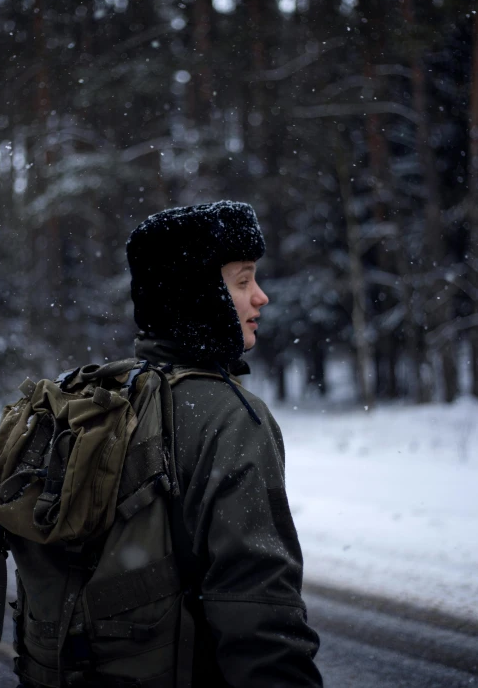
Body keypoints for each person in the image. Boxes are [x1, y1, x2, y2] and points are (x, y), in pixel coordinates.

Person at [126, 200, 323, 688]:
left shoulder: (112, 397)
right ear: (199, 296)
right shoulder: (229, 418)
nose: (261, 297)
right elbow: (258, 612)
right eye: (242, 282)